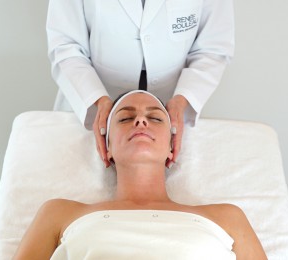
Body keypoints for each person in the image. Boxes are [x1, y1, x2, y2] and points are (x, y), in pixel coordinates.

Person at [13, 91, 267, 259]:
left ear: (172, 146)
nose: (141, 122)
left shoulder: (227, 217)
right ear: (107, 147)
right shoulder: (59, 213)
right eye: (125, 119)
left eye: (155, 118)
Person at [46, 0, 235, 169]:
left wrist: (183, 99)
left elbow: (213, 48)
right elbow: (66, 46)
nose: (140, 122)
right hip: (91, 98)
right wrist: (97, 99)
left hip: (174, 105)